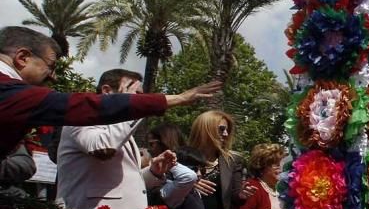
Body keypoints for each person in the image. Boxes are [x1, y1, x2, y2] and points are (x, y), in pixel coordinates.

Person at [0, 26, 218, 159]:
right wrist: (175, 99)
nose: (53, 76)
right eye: (51, 66)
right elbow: (93, 122)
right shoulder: (9, 92)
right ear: (22, 57)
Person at [56, 69, 177, 209]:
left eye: (141, 96)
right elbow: (103, 148)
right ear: (107, 91)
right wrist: (131, 109)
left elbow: (121, 184)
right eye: (135, 95)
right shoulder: (81, 119)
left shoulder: (119, 127)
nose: (141, 102)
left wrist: (153, 172)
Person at [188, 110, 247, 209]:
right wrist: (188, 184)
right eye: (221, 129)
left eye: (227, 130)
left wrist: (242, 195)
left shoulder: (232, 161)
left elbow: (235, 198)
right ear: (205, 129)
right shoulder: (182, 157)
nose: (225, 134)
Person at [237, 143, 288, 209]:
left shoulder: (285, 188)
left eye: (282, 165)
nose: (281, 169)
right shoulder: (253, 186)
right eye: (277, 165)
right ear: (263, 167)